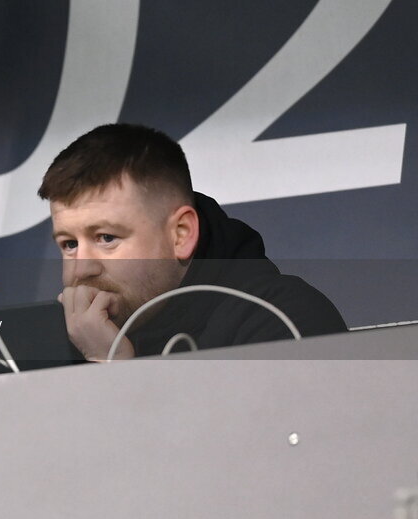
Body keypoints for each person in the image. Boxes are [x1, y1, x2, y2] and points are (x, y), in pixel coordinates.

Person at [38, 123, 346, 361]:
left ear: (181, 235)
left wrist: (115, 370)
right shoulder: (67, 343)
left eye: (106, 238)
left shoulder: (283, 320)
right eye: (69, 244)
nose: (82, 269)